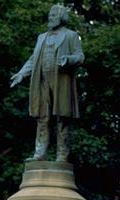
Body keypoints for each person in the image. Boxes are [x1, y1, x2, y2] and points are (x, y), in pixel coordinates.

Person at [9, 4, 84, 162]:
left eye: (54, 15)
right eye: (49, 15)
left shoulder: (71, 36)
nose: (50, 18)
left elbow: (80, 56)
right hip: (41, 80)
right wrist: (22, 73)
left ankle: (62, 155)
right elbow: (33, 59)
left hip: (61, 80)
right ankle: (40, 153)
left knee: (62, 118)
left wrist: (68, 60)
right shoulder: (41, 37)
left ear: (62, 18)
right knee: (42, 117)